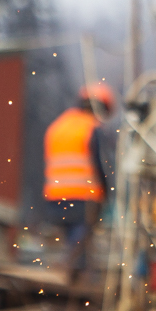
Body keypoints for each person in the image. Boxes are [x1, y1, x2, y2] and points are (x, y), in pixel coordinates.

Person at [43, 83, 114, 279]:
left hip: (55, 196)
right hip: (83, 196)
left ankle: (74, 273)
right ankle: (73, 272)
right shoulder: (91, 128)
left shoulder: (58, 126)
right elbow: (100, 164)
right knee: (80, 240)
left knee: (74, 240)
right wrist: (108, 191)